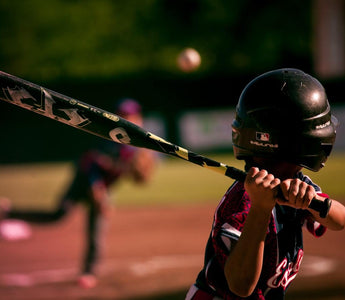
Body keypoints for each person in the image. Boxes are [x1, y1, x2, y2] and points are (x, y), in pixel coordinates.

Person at [185, 68, 345, 300]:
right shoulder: (241, 203)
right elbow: (240, 286)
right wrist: (261, 208)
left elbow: (340, 220)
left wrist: (311, 202)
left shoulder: (297, 184)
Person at [2, 98, 156, 288]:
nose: (129, 118)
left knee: (95, 229)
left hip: (102, 187)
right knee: (58, 214)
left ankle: (88, 272)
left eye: (132, 114)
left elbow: (138, 175)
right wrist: (96, 188)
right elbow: (91, 162)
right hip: (83, 180)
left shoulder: (137, 145)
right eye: (124, 114)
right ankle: (8, 212)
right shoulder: (109, 138)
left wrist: (136, 175)